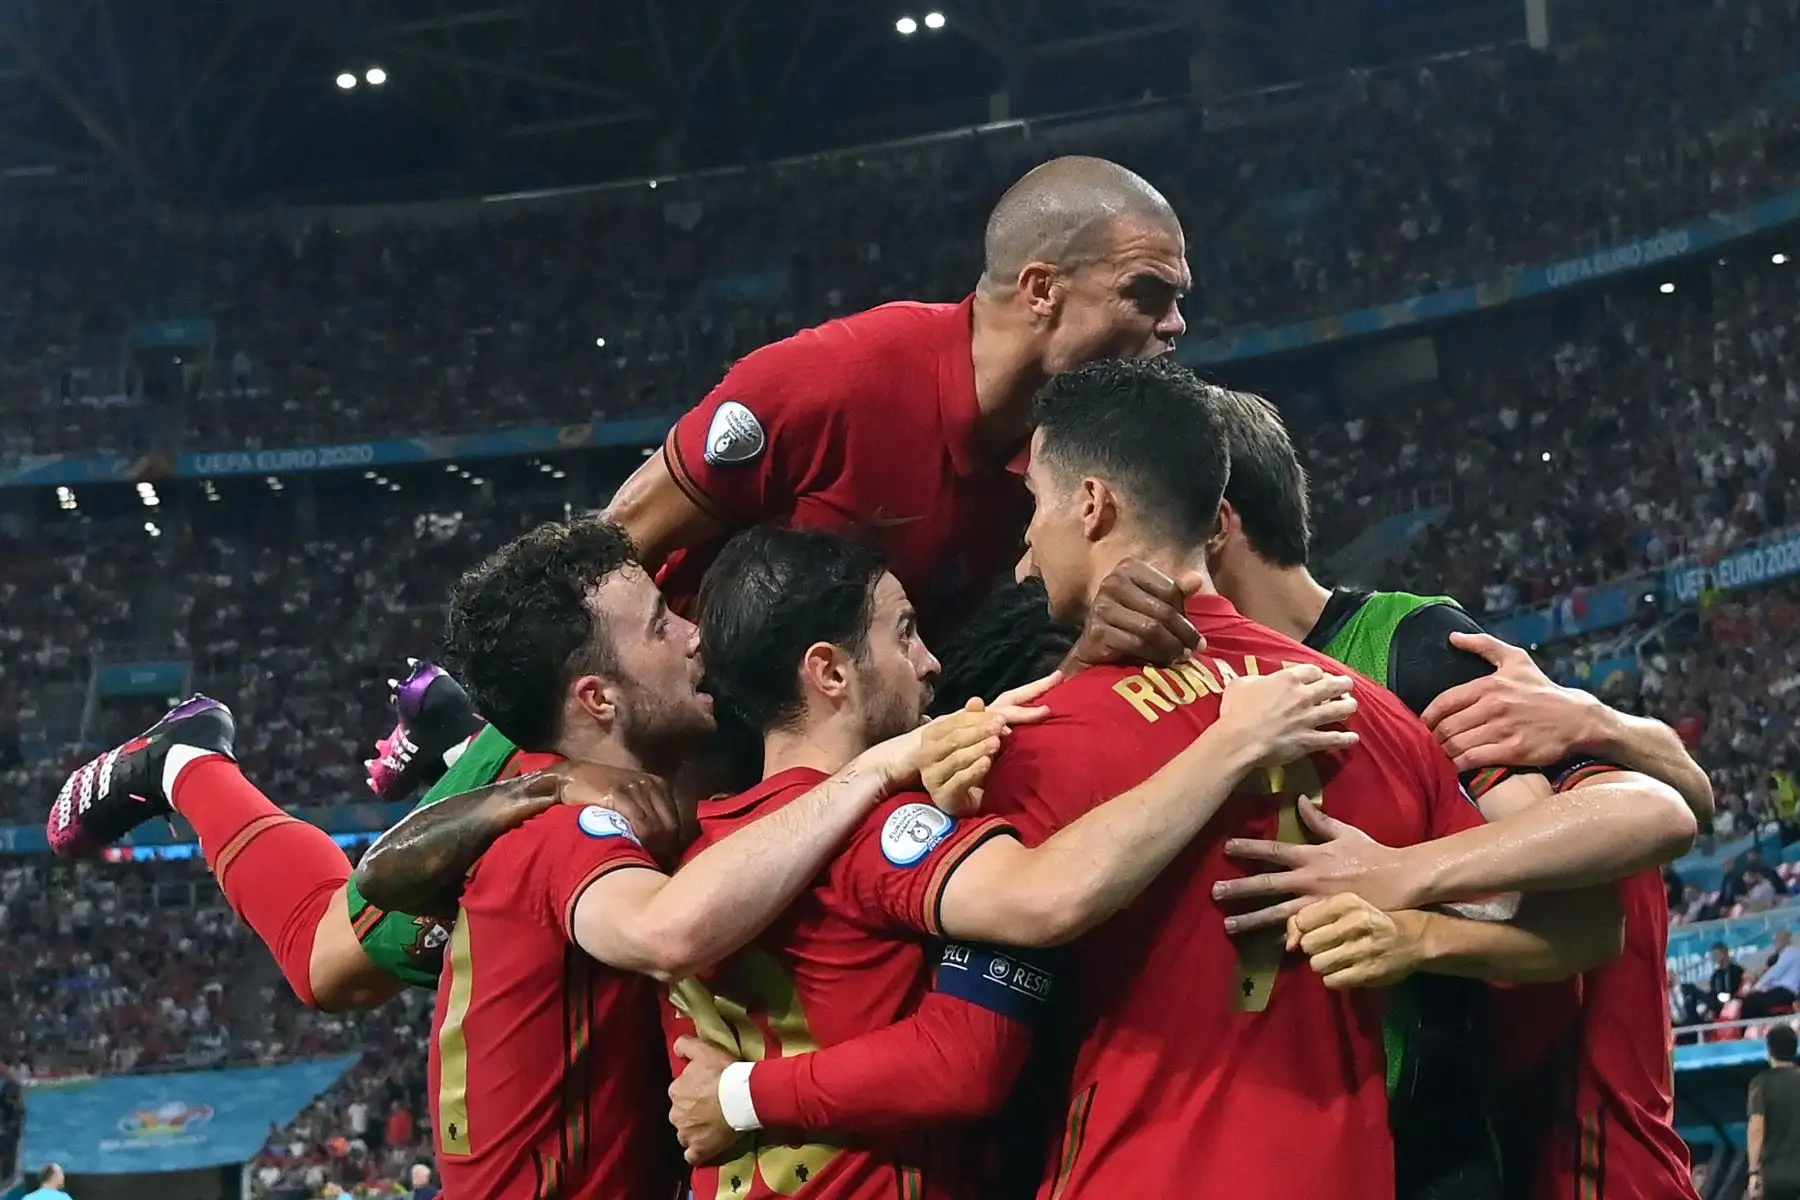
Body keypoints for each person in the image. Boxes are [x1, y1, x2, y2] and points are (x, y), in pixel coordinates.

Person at [45, 155, 1194, 1022]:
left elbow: (972, 649)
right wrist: (576, 754)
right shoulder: (834, 382)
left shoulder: (1053, 463)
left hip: (774, 772)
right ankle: (185, 760)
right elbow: (594, 559)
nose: (1175, 327)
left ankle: (444, 731)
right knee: (338, 966)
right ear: (1041, 288)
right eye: (1148, 294)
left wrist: (1100, 627)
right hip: (637, 734)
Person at [664, 525, 1357, 1196]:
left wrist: (1074, 673)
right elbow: (965, 1054)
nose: (931, 662)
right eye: (904, 632)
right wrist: (1231, 743)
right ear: (831, 672)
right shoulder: (891, 833)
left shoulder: (698, 864)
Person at [1183, 387, 1702, 1199]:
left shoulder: (1416, 648)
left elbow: (1617, 850)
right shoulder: (1173, 680)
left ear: (1217, 524)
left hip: (1449, 1143)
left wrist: (1402, 885)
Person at [1752, 1025, 1800, 1200]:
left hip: (1773, 1177)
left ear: (1769, 1050)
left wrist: (1753, 1172)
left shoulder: (1760, 1084)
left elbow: (1756, 1129)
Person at [1745, 931, 1800, 1019]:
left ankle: (1748, 1025)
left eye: (1777, 940)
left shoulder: (1790, 952)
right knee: (1756, 999)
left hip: (1785, 992)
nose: (1775, 943)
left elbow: (1775, 972)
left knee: (1752, 1000)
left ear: (1785, 940)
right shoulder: (1790, 953)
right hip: (1785, 992)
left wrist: (1757, 987)